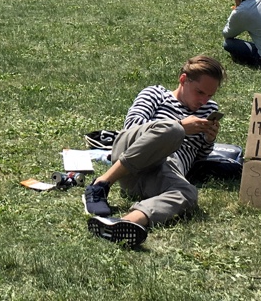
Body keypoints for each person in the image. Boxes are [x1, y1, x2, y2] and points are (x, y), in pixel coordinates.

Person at [83, 55, 224, 248]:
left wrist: (209, 139)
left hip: (161, 172)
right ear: (183, 80)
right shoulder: (155, 94)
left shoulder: (209, 109)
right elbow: (131, 126)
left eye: (209, 95)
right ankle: (101, 183)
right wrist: (181, 126)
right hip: (130, 153)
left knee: (188, 193)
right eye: (199, 92)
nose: (204, 100)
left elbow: (197, 157)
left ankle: (126, 222)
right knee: (173, 131)